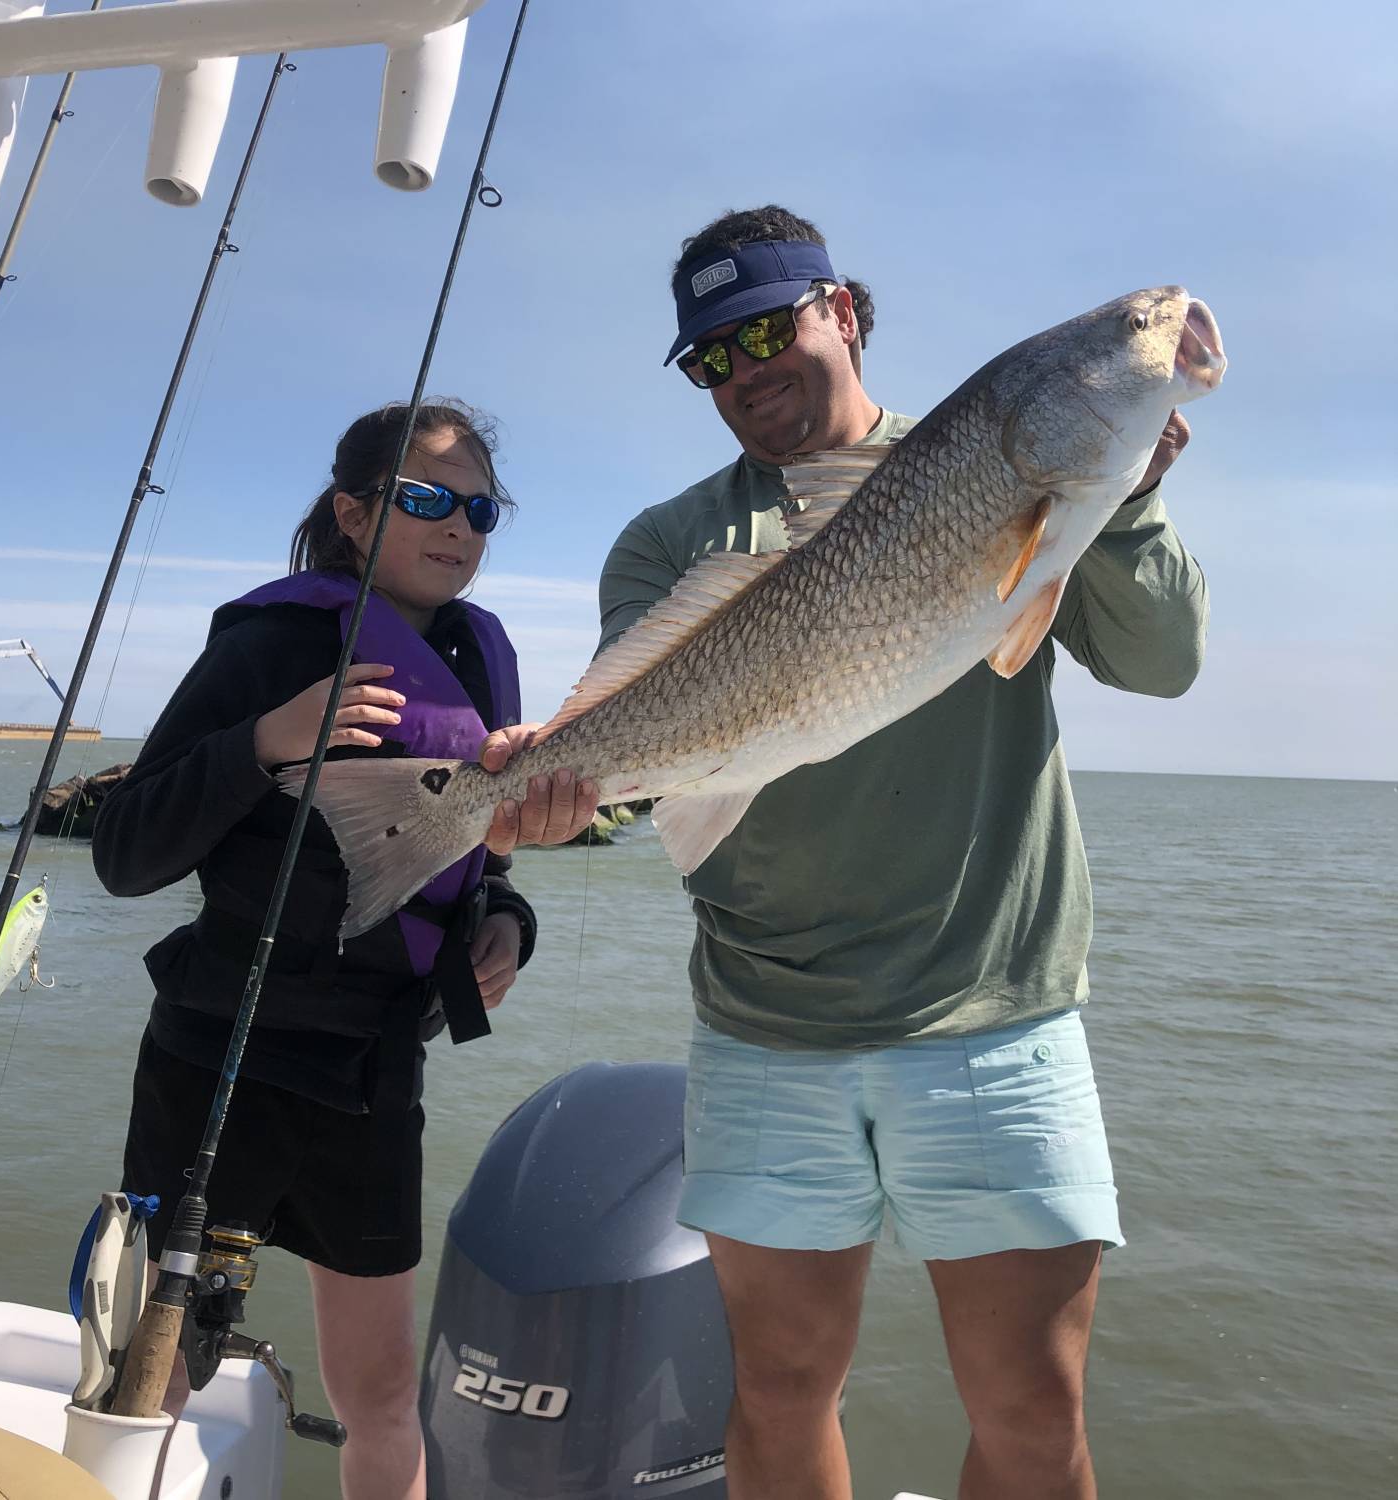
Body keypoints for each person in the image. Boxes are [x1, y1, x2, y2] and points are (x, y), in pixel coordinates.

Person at [598, 208, 1208, 1500]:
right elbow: (646, 755)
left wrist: (1134, 502)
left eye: (771, 326)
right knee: (775, 1390)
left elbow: (1161, 666)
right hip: (768, 1027)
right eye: (712, 355)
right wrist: (553, 786)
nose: (747, 367)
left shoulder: (1012, 474)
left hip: (995, 1014)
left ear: (845, 312)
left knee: (1036, 1415)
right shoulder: (669, 542)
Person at [93, 399, 597, 1500]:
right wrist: (269, 739)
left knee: (379, 1395)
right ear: (354, 516)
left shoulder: (474, 659)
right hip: (219, 1054)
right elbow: (126, 855)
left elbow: (472, 860)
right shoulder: (270, 644)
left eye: (480, 509)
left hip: (373, 1070)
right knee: (151, 1375)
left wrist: (509, 925)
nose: (459, 528)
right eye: (426, 500)